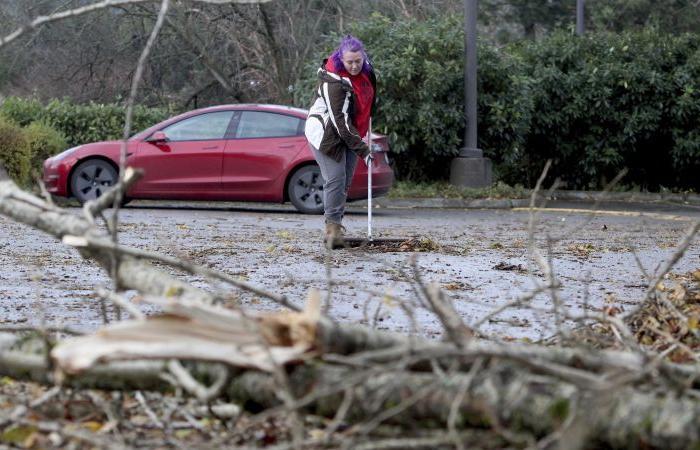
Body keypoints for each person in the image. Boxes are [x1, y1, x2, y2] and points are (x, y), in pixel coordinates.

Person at [305, 35, 377, 248]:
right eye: (350, 62)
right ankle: (332, 231)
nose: (355, 66)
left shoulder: (367, 71)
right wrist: (364, 151)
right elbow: (340, 123)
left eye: (358, 61)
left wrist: (365, 131)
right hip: (327, 133)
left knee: (344, 182)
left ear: (363, 56)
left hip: (350, 131)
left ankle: (336, 226)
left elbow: (369, 100)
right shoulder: (333, 83)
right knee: (335, 179)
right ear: (341, 59)